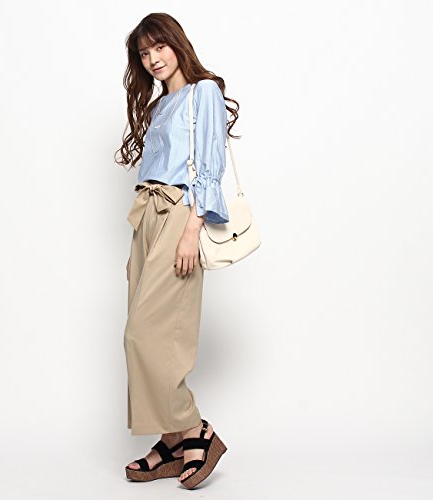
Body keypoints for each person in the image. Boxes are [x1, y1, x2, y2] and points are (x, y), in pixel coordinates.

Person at [114, 12, 240, 489]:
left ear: (176, 43)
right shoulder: (159, 106)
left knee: (146, 334)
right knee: (139, 333)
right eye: (144, 53)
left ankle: (194, 429)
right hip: (147, 217)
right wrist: (138, 248)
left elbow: (209, 164)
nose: (153, 59)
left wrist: (192, 229)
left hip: (180, 214)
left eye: (159, 47)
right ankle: (170, 441)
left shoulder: (203, 92)